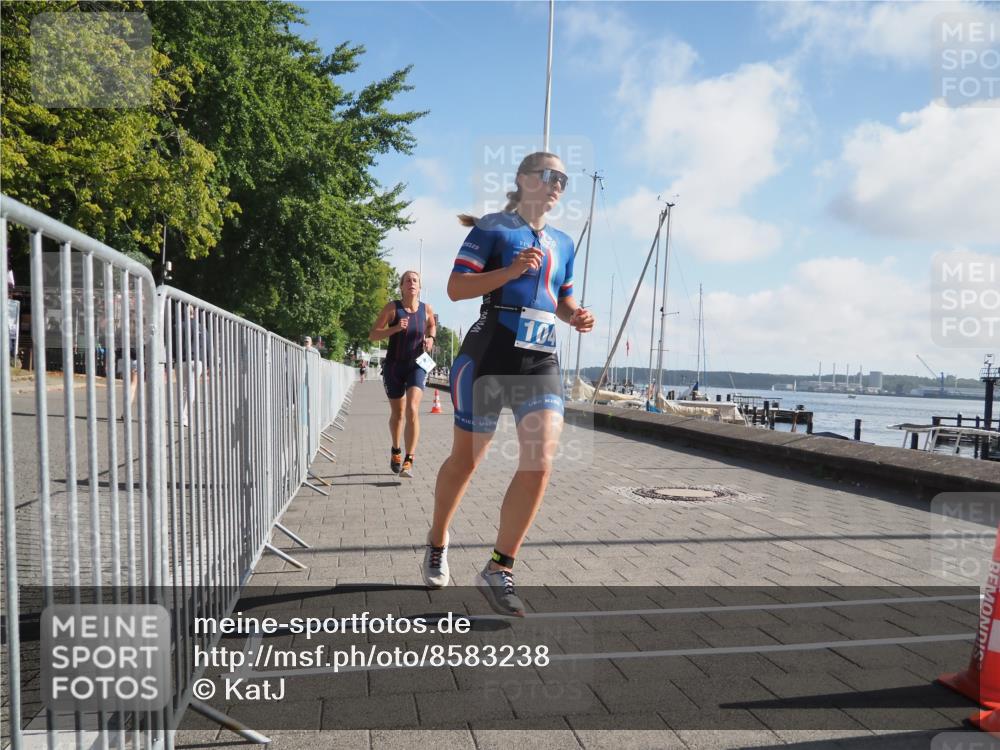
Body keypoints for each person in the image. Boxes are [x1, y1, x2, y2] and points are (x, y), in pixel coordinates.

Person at [422, 152, 595, 615]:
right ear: (523, 179)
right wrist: (511, 271)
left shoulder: (564, 242)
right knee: (466, 462)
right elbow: (456, 288)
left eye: (563, 179)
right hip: (490, 353)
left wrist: (576, 315)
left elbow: (561, 299)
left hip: (540, 359)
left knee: (541, 461)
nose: (557, 184)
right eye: (549, 175)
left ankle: (499, 567)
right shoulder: (493, 230)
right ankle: (437, 539)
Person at [369, 270, 436, 478]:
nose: (411, 283)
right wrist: (396, 328)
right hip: (394, 367)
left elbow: (432, 325)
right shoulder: (392, 308)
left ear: (420, 287)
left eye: (415, 280)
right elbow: (373, 334)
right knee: (398, 414)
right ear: (401, 286)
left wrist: (431, 338)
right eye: (408, 280)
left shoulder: (426, 309)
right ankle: (396, 450)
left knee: (412, 409)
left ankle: (409, 460)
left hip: (417, 364)